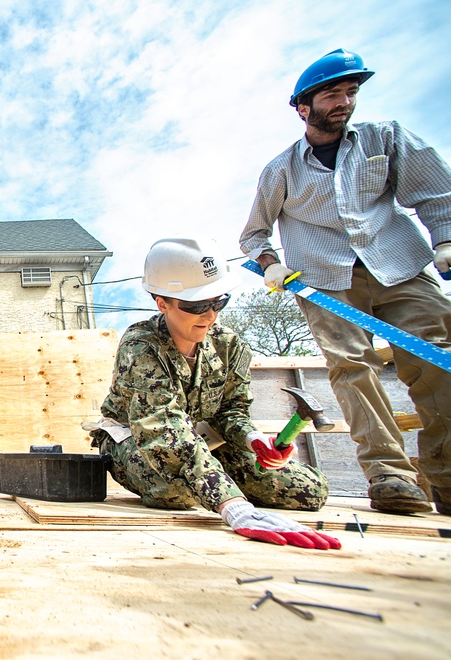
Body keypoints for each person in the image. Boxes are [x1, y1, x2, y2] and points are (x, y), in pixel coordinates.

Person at [239, 48, 451, 516]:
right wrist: (270, 262)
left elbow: (438, 195)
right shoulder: (281, 170)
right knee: (352, 367)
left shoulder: (386, 139)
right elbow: (253, 234)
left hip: (398, 265)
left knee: (436, 360)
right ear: (303, 107)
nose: (344, 101)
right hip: (324, 282)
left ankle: (447, 477)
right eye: (332, 93)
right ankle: (389, 474)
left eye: (350, 92)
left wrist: (447, 240)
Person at [89, 237, 341, 550]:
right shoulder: (140, 346)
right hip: (137, 442)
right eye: (195, 305)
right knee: (174, 491)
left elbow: (231, 412)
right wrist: (234, 507)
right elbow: (165, 433)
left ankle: (214, 481)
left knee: (308, 491)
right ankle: (217, 486)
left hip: (203, 443)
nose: (209, 315)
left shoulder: (228, 345)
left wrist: (253, 439)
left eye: (217, 302)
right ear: (162, 302)